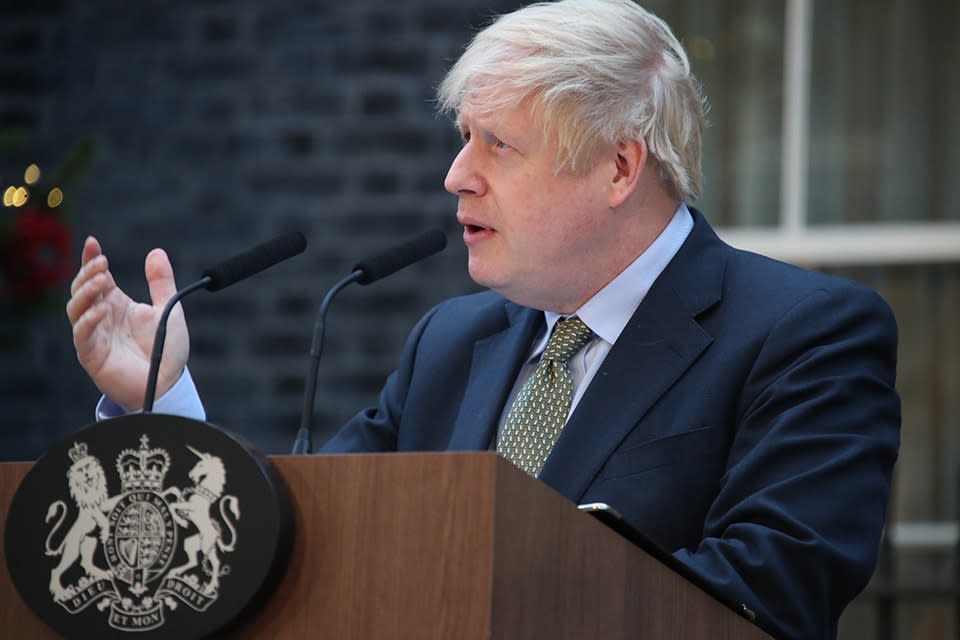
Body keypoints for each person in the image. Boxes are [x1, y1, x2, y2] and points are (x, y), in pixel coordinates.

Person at [66, 1, 900, 638]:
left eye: (497, 144)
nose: (456, 176)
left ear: (618, 166)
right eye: (463, 138)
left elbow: (773, 592)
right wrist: (164, 402)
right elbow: (302, 537)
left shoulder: (807, 334)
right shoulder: (450, 341)